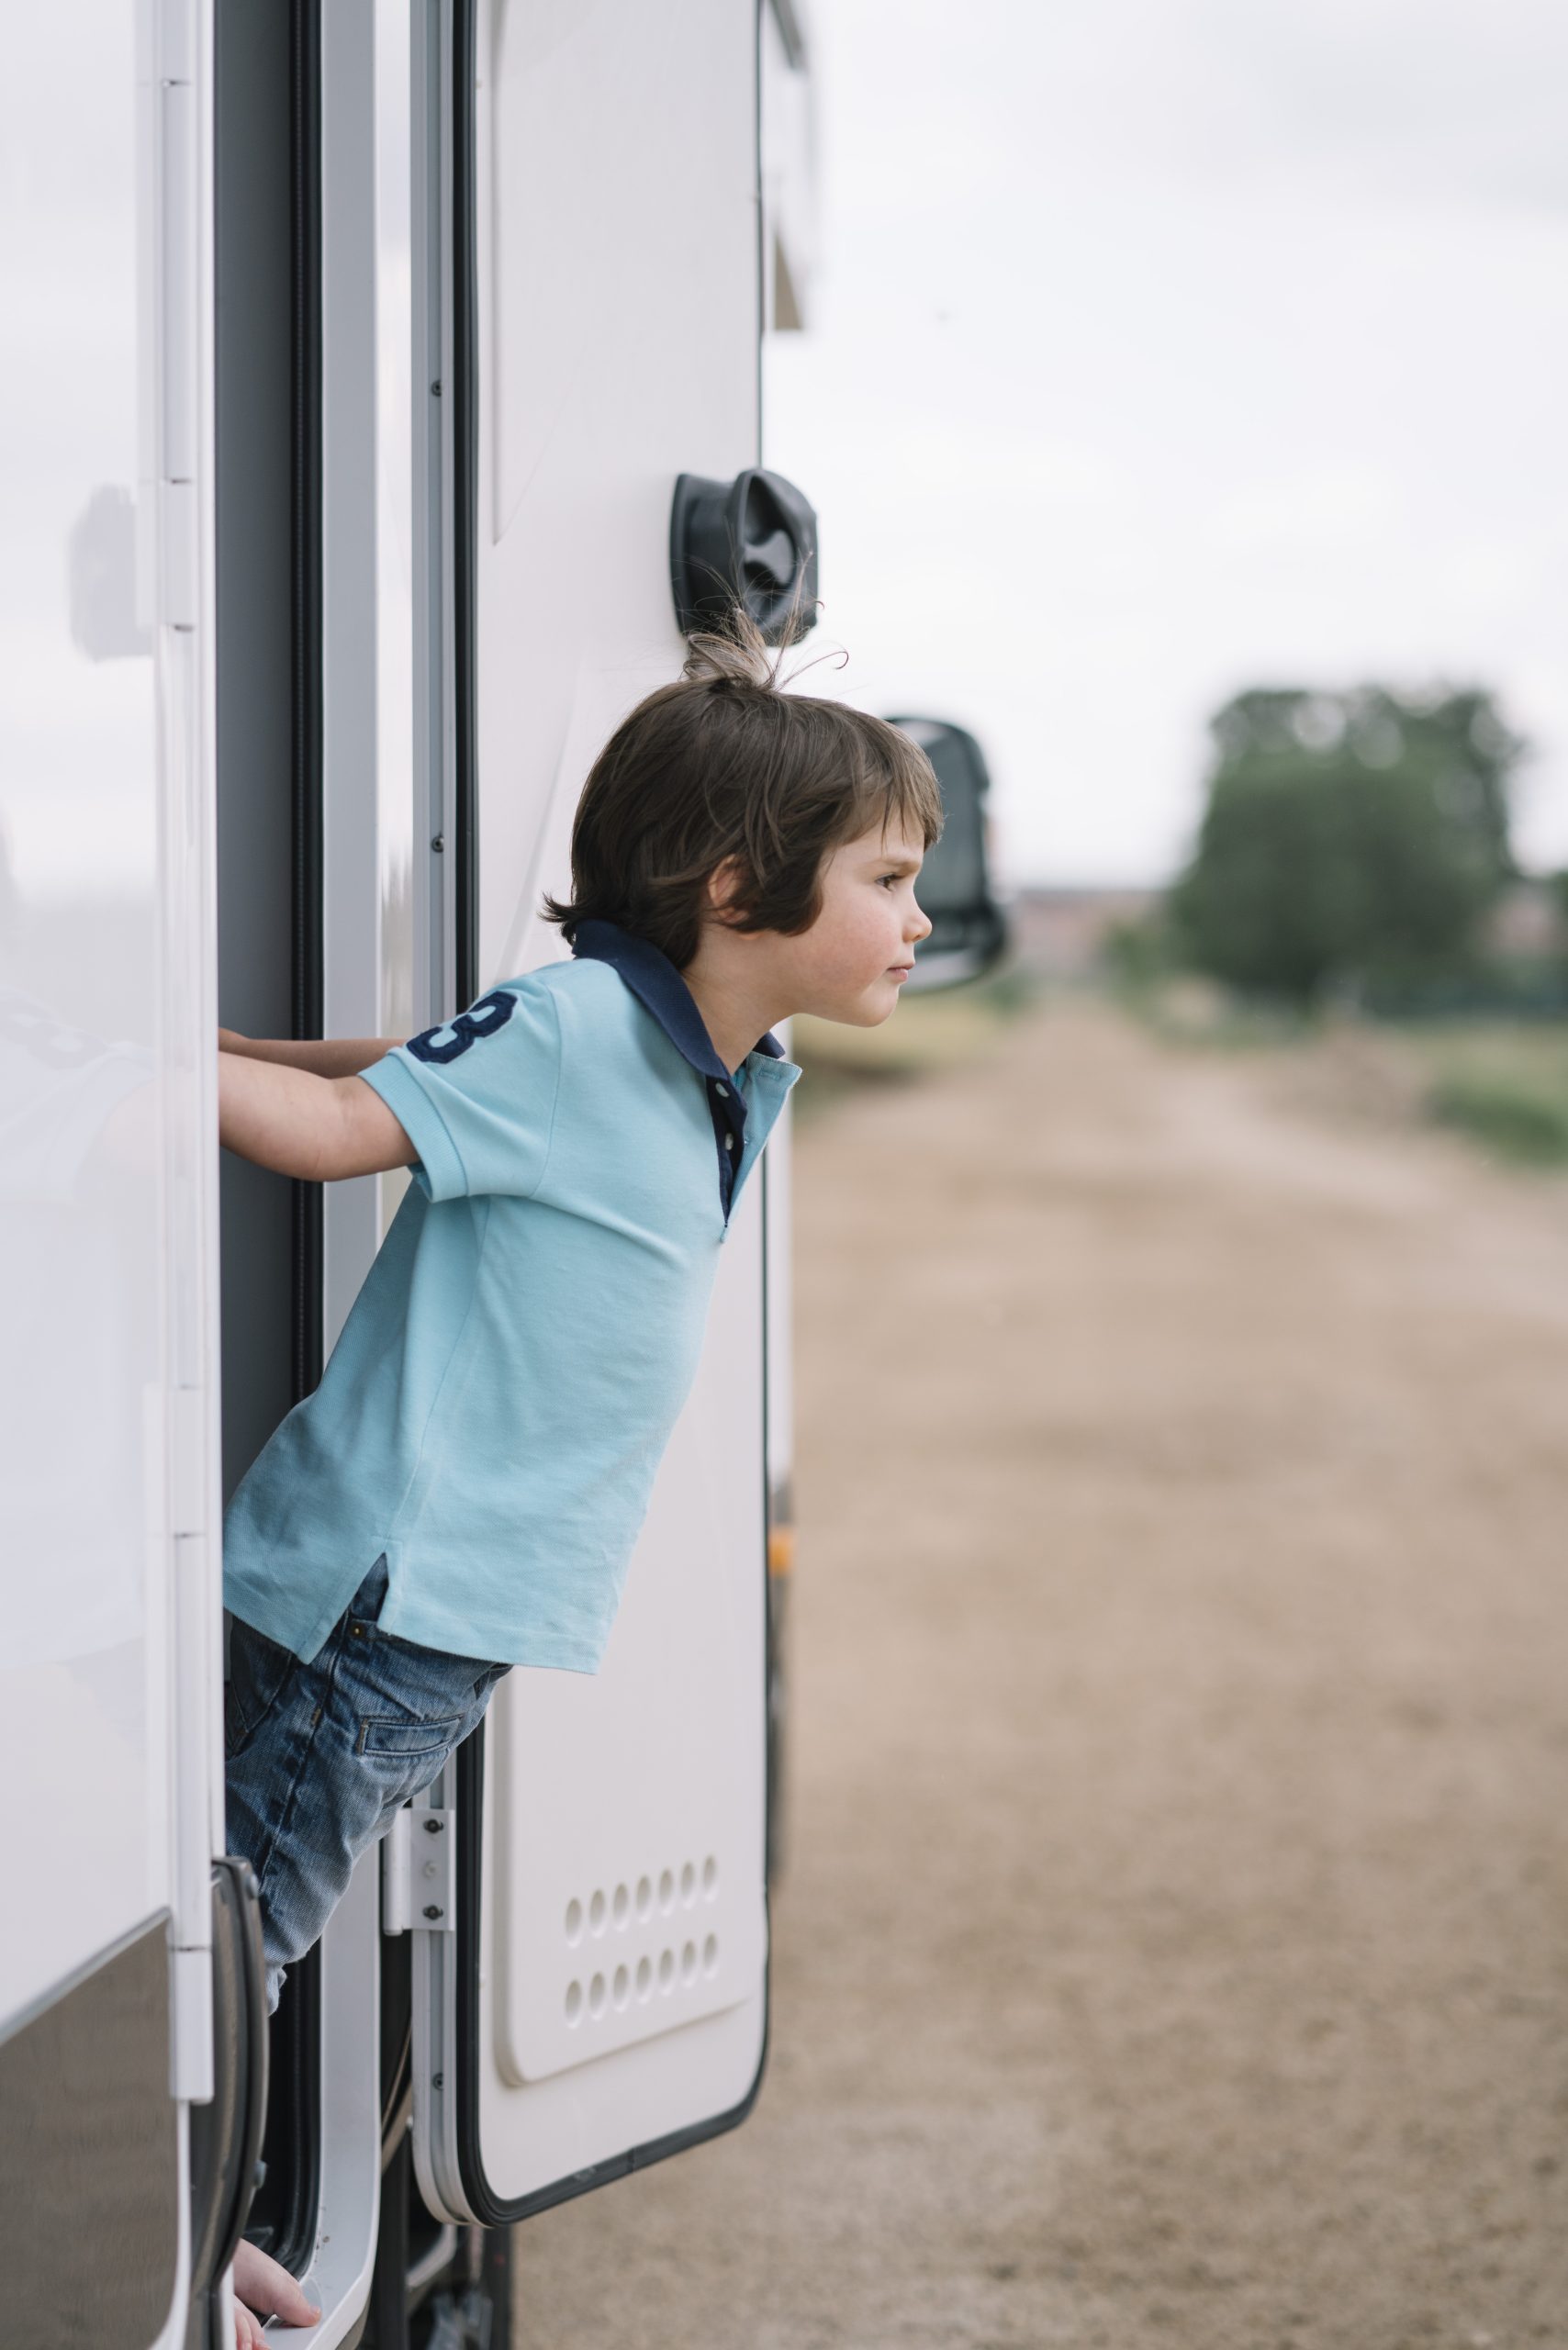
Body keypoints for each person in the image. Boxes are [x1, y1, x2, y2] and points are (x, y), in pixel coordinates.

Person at [217, 617, 940, 2341]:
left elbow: (411, 1073)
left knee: (250, 1897)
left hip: (453, 1611)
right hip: (385, 1591)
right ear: (737, 882)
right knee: (245, 1913)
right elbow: (339, 1139)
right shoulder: (575, 1034)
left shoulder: (720, 1071)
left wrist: (256, 1047)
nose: (918, 921)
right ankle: (177, 2238)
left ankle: (183, 2203)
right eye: (892, 879)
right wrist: (142, 1062)